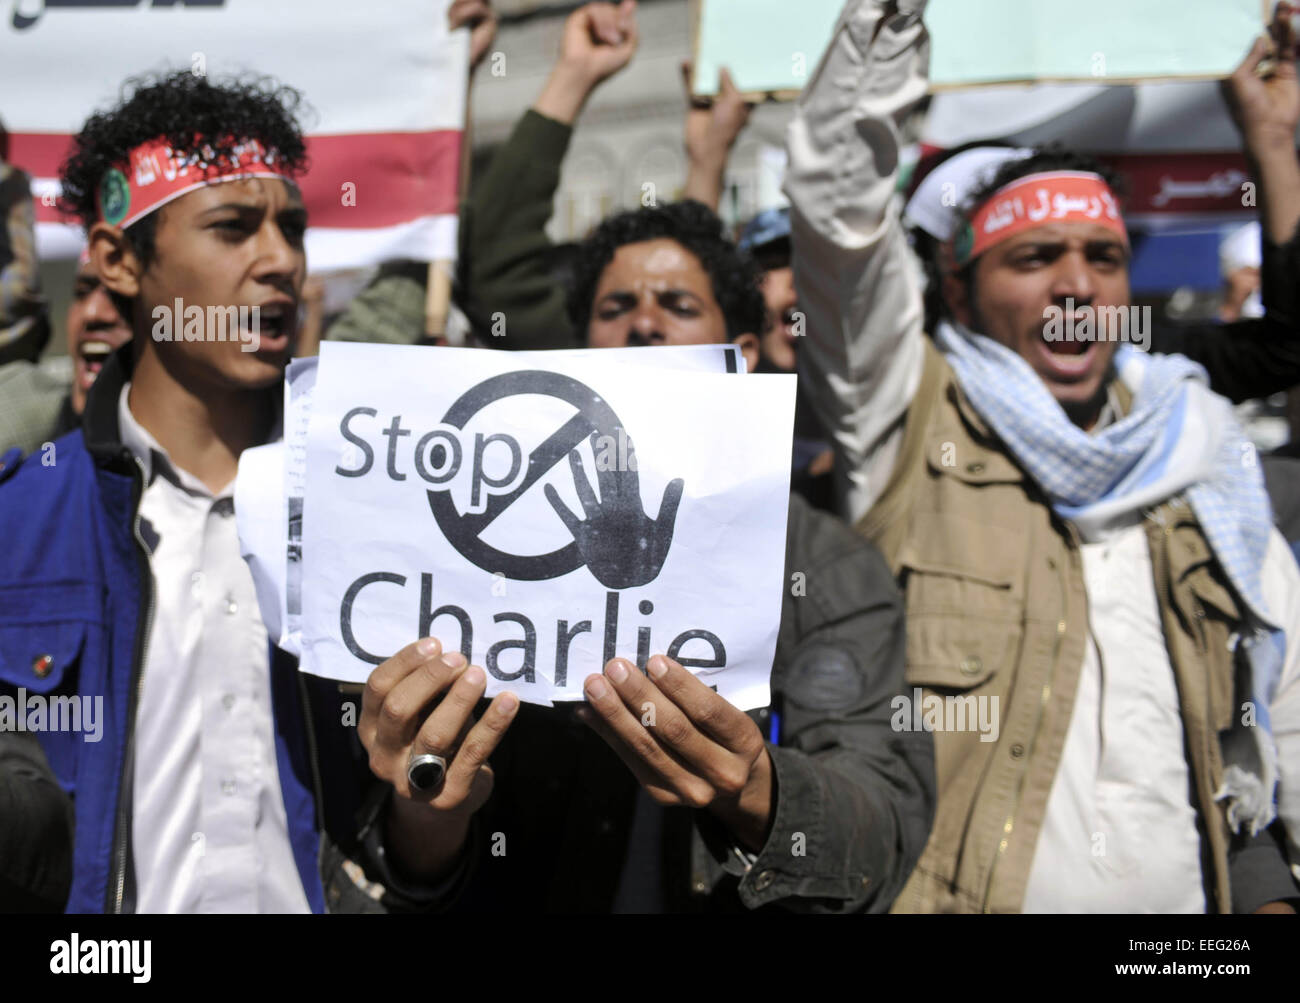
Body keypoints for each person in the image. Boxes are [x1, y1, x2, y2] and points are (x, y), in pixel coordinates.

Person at [786, 0, 1300, 912]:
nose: (1075, 283)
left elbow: (1272, 721)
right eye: (1033, 257)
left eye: (1102, 255)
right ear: (959, 288)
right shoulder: (906, 413)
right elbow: (839, 215)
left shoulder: (1200, 450)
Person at [0, 69, 499, 913]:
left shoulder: (386, 510)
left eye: (292, 228)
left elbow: (419, 864)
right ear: (119, 261)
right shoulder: (20, 522)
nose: (281, 261)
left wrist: (433, 817)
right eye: (233, 228)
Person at [362, 197, 934, 912]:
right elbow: (417, 868)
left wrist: (759, 791)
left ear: (742, 356)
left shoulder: (823, 563)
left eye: (678, 303)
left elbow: (880, 833)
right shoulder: (486, 562)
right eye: (616, 306)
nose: (643, 322)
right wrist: (424, 811)